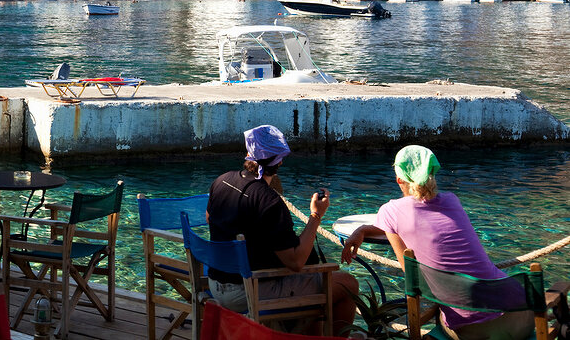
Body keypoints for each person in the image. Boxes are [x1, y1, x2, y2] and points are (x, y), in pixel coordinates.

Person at [341, 146, 533, 340]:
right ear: (433, 173)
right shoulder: (452, 201)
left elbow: (412, 276)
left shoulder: (390, 211)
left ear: (399, 179)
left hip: (473, 332)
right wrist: (364, 229)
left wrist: (361, 230)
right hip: (522, 317)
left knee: (438, 321)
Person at [207, 125, 357, 335]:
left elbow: (210, 218)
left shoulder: (221, 180)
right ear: (280, 161)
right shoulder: (269, 201)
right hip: (248, 291)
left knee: (311, 282)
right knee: (347, 283)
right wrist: (316, 216)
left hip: (215, 284)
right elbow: (295, 262)